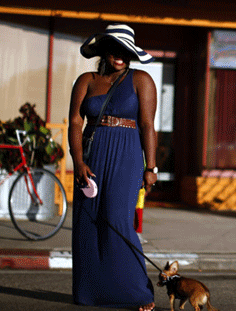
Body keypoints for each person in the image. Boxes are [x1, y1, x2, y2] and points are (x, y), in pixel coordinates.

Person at [69, 23, 158, 311]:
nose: (119, 55)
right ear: (105, 51)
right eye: (115, 49)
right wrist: (78, 161)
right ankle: (90, 292)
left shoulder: (141, 80)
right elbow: (74, 122)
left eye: (125, 50)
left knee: (118, 221)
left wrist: (151, 167)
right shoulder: (86, 80)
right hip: (91, 158)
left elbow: (147, 125)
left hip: (128, 156)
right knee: (88, 222)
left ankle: (138, 293)